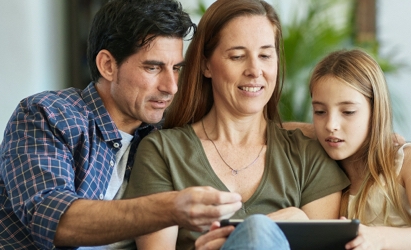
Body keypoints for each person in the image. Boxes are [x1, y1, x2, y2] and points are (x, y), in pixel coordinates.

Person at [0, 1, 246, 249]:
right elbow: (55, 220)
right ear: (107, 65)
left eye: (176, 69)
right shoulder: (47, 115)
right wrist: (169, 209)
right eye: (152, 67)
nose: (171, 87)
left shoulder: (162, 136)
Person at [122, 1, 350, 249]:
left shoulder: (309, 155)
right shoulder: (163, 152)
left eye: (265, 55)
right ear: (206, 65)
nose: (255, 70)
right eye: (238, 56)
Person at [308, 49, 411, 249]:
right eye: (320, 112)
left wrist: (378, 238)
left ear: (376, 112)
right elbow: (278, 131)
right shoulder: (323, 173)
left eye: (348, 112)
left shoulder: (407, 160)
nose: (331, 124)